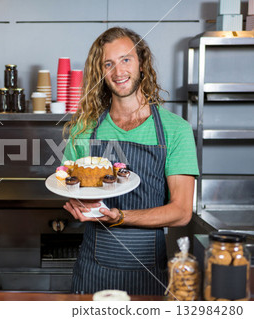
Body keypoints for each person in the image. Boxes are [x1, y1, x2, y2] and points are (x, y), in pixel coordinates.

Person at [62, 27, 199, 295]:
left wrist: (121, 217)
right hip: (93, 269)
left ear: (141, 63)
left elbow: (182, 211)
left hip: (148, 269)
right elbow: (68, 182)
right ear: (100, 72)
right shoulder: (85, 128)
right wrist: (75, 202)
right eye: (108, 63)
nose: (118, 71)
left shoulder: (175, 130)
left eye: (126, 59)